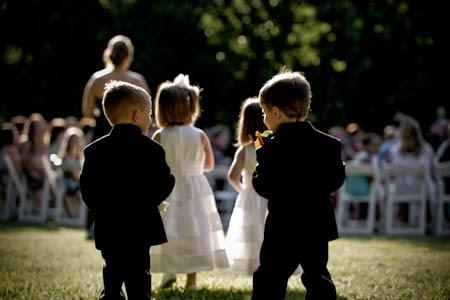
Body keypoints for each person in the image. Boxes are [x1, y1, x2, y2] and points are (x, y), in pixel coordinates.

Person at [251, 71, 345, 300]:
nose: (264, 118)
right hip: (317, 223)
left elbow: (263, 186)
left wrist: (260, 157)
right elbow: (336, 180)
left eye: (264, 112)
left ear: (275, 111)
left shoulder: (271, 148)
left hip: (282, 225)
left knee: (271, 275)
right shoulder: (329, 144)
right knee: (317, 275)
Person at [79, 80, 175, 300]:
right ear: (137, 116)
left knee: (112, 266)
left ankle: (111, 294)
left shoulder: (94, 151)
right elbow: (162, 183)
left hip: (108, 224)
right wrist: (165, 186)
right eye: (149, 114)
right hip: (140, 226)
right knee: (139, 271)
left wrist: (100, 209)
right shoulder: (152, 150)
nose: (151, 119)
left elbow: (87, 189)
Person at [149, 74, 229, 291]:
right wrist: (192, 168)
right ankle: (191, 282)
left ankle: (169, 270)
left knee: (168, 228)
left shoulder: (159, 135)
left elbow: (153, 166)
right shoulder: (200, 135)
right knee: (194, 231)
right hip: (195, 190)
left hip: (167, 189)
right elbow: (210, 165)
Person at [82, 34, 150, 239]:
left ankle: (93, 225)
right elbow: (147, 110)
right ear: (128, 56)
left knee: (97, 177)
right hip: (130, 136)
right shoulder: (137, 80)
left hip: (103, 132)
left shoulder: (97, 79)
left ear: (109, 54)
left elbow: (86, 111)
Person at [225, 97, 268, 274]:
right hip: (269, 195)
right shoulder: (272, 147)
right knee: (267, 232)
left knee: (251, 233)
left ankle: (253, 267)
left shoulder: (245, 150)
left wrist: (244, 191)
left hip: (250, 196)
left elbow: (232, 176)